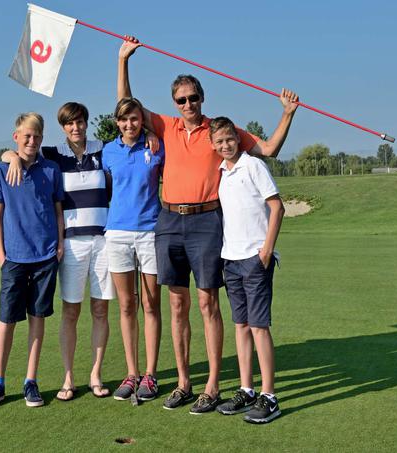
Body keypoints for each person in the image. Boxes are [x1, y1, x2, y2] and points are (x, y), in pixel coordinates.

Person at [118, 36, 299, 414]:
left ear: (202, 98)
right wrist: (124, 60)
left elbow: (268, 150)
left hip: (205, 220)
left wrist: (287, 114)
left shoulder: (221, 130)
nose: (188, 105)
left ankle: (212, 385)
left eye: (193, 98)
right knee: (177, 304)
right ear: (174, 104)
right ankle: (184, 382)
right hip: (169, 219)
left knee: (207, 302)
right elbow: (126, 107)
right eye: (181, 100)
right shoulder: (165, 126)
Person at [3, 103, 115, 400]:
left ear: (86, 123)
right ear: (63, 127)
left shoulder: (102, 149)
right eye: (69, 124)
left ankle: (96, 374)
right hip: (72, 245)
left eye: (79, 122)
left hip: (103, 240)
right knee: (71, 311)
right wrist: (11, 156)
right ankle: (68, 378)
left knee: (101, 309)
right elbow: (18, 151)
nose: (75, 128)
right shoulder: (52, 155)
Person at [0, 112, 64, 409]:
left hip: (45, 256)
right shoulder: (1, 171)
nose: (32, 141)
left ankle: (31, 380)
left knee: (37, 319)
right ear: (16, 137)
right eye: (27, 136)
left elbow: (57, 210)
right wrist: (1, 255)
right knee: (7, 320)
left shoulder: (51, 169)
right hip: (14, 257)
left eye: (37, 136)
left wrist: (60, 244)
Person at [209, 117, 285, 424]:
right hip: (231, 258)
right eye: (219, 142)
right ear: (212, 145)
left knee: (258, 326)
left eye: (229, 139)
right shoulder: (222, 173)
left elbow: (277, 207)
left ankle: (269, 396)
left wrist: (266, 250)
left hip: (255, 259)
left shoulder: (253, 165)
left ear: (237, 139)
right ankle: (247, 389)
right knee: (240, 325)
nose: (225, 145)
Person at [102, 97, 165, 402]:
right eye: (124, 120)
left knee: (151, 304)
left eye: (135, 119)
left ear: (142, 121)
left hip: (150, 232)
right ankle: (132, 372)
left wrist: (153, 135)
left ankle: (150, 375)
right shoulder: (108, 151)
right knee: (127, 305)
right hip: (117, 234)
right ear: (117, 122)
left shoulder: (155, 146)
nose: (130, 124)